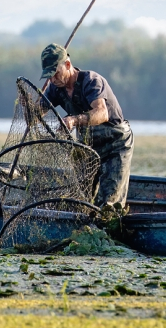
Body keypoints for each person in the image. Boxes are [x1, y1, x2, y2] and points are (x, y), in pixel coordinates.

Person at [40, 43, 133, 220]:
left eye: (55, 73)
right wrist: (29, 103)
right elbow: (37, 111)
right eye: (49, 76)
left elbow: (102, 113)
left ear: (67, 65)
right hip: (88, 148)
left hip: (115, 145)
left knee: (108, 206)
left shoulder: (91, 81)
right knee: (79, 200)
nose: (53, 79)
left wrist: (74, 120)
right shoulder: (55, 87)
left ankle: (107, 231)